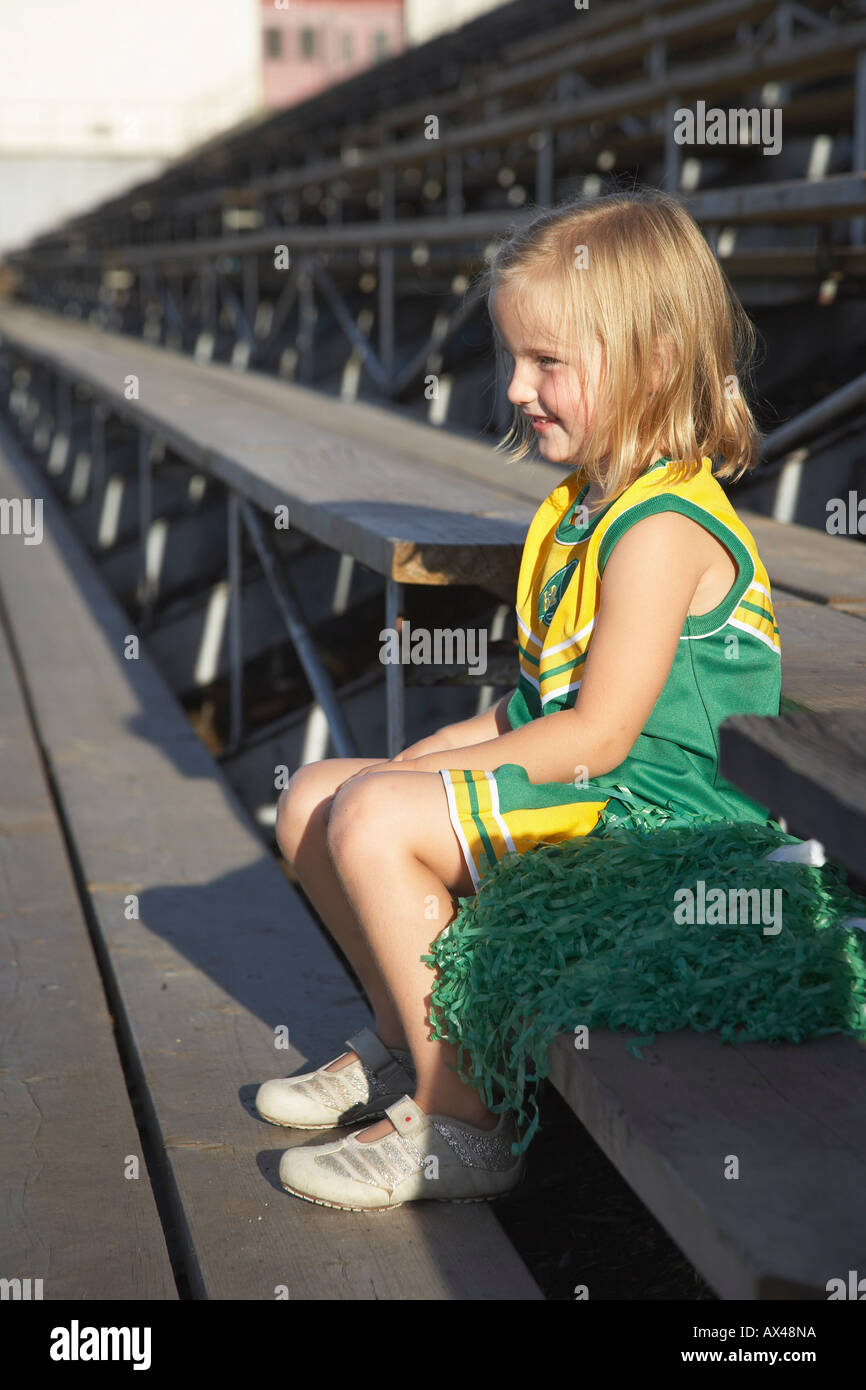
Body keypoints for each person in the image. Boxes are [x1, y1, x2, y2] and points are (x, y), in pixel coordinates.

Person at [256, 186, 783, 1211]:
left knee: (369, 813)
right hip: (592, 781)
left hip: (661, 823)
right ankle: (408, 1037)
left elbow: (598, 732)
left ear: (657, 362)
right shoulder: (576, 512)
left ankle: (466, 1123)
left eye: (547, 364)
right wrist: (416, 763)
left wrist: (412, 789)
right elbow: (531, 704)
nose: (514, 387)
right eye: (512, 359)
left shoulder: (659, 525)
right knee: (314, 795)